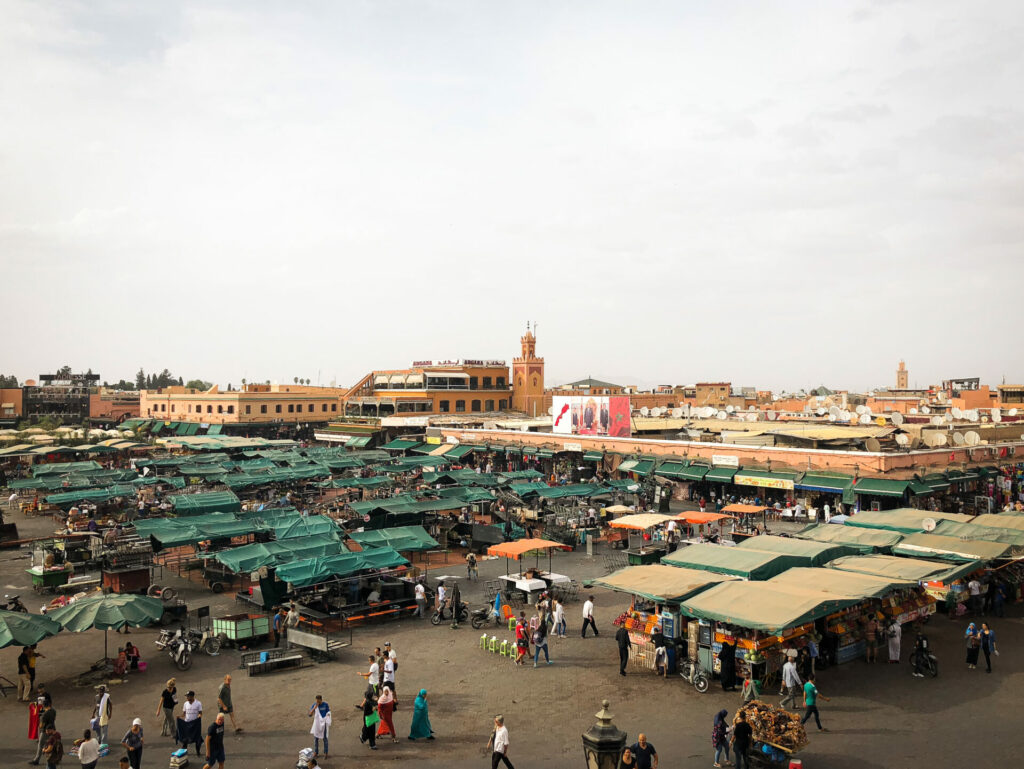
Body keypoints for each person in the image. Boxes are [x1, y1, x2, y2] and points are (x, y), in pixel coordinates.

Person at [178, 690, 204, 757]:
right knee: (185, 738)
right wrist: (179, 717)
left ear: (192, 696)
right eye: (186, 696)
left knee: (197, 738)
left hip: (195, 724)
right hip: (187, 724)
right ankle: (184, 751)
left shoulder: (198, 703)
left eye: (188, 696)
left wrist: (199, 717)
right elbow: (184, 714)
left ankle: (198, 752)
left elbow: (200, 713)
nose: (187, 698)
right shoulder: (185, 704)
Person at [31, 700, 57, 766]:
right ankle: (55, 758)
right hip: (53, 729)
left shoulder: (44, 715)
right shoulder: (53, 711)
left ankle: (36, 760)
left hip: (45, 731)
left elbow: (41, 725)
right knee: (51, 744)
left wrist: (39, 722)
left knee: (40, 745)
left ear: (43, 706)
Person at [358, 684, 378, 750]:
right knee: (370, 731)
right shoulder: (367, 703)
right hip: (368, 719)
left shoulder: (371, 701)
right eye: (372, 695)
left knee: (369, 731)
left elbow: (376, 704)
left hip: (371, 719)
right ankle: (372, 744)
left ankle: (363, 738)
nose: (373, 696)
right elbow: (367, 713)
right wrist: (373, 710)